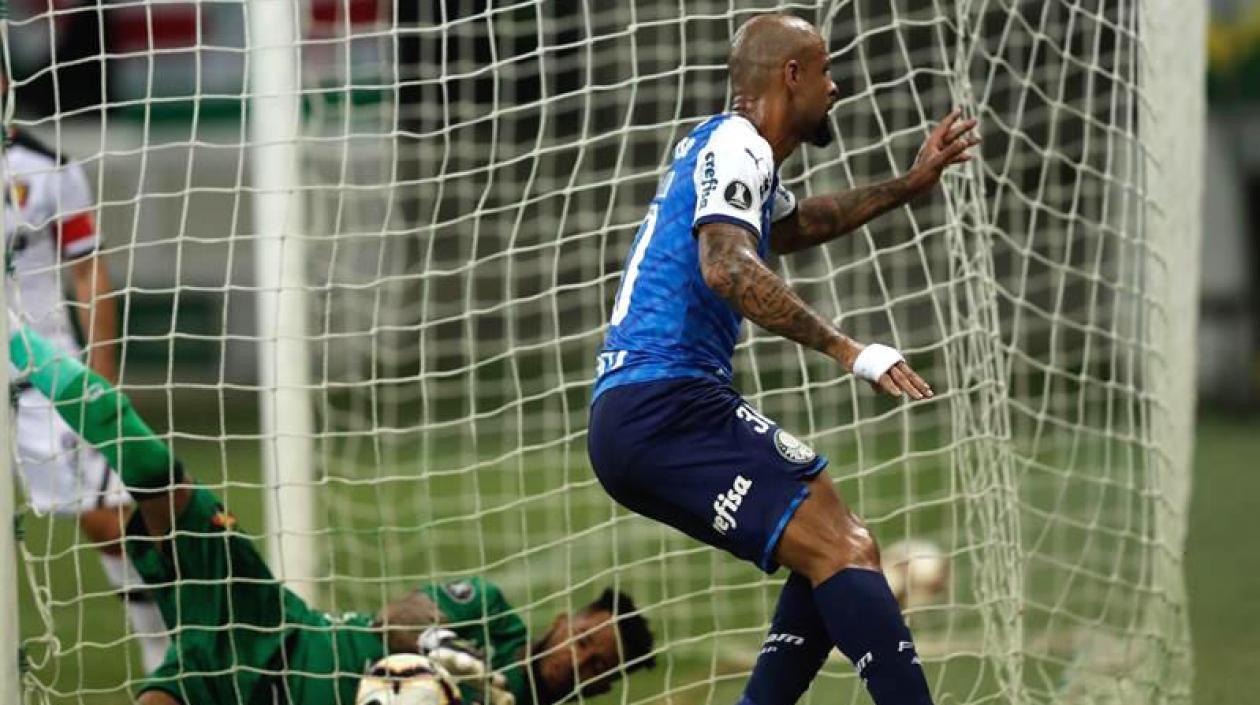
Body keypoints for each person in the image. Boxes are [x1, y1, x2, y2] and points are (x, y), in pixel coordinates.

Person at [586, 14, 978, 705]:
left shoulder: (733, 154)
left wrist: (907, 186)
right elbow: (727, 266)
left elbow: (794, 226)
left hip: (647, 407)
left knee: (829, 543)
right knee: (844, 546)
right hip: (664, 402)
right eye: (825, 71)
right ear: (791, 76)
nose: (836, 86)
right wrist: (849, 349)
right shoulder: (738, 144)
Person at [7, 318, 656, 705]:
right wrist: (445, 649)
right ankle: (19, 343)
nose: (581, 656)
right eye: (589, 638)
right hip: (275, 633)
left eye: (599, 665)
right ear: (570, 617)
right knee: (162, 488)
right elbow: (397, 617)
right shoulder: (489, 613)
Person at [3, 126, 168, 669]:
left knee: (108, 518)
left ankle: (164, 656)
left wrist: (99, 372)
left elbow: (86, 266)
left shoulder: (46, 166)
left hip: (39, 367)